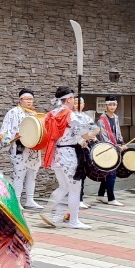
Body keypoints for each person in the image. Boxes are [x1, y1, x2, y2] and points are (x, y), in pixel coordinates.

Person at [38, 86, 96, 230]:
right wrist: (93, 131)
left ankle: (46, 211)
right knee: (75, 188)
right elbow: (85, 131)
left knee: (64, 186)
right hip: (69, 154)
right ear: (69, 99)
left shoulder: (51, 114)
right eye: (73, 99)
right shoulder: (70, 115)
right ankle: (74, 221)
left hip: (56, 154)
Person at [0, 90, 42, 210]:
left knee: (32, 174)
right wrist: (13, 136)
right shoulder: (13, 112)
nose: (29, 101)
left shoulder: (33, 114)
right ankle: (16, 200)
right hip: (19, 147)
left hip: (32, 149)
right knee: (19, 174)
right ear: (20, 100)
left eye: (31, 99)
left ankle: (30, 199)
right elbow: (5, 130)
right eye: (27, 99)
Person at [94, 99, 124, 207]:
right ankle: (111, 198)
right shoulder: (101, 120)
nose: (112, 107)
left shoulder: (115, 117)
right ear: (106, 106)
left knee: (108, 173)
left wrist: (122, 143)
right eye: (110, 105)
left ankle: (101, 195)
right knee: (112, 173)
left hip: (114, 148)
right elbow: (104, 138)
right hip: (106, 149)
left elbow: (118, 132)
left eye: (114, 104)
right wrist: (117, 146)